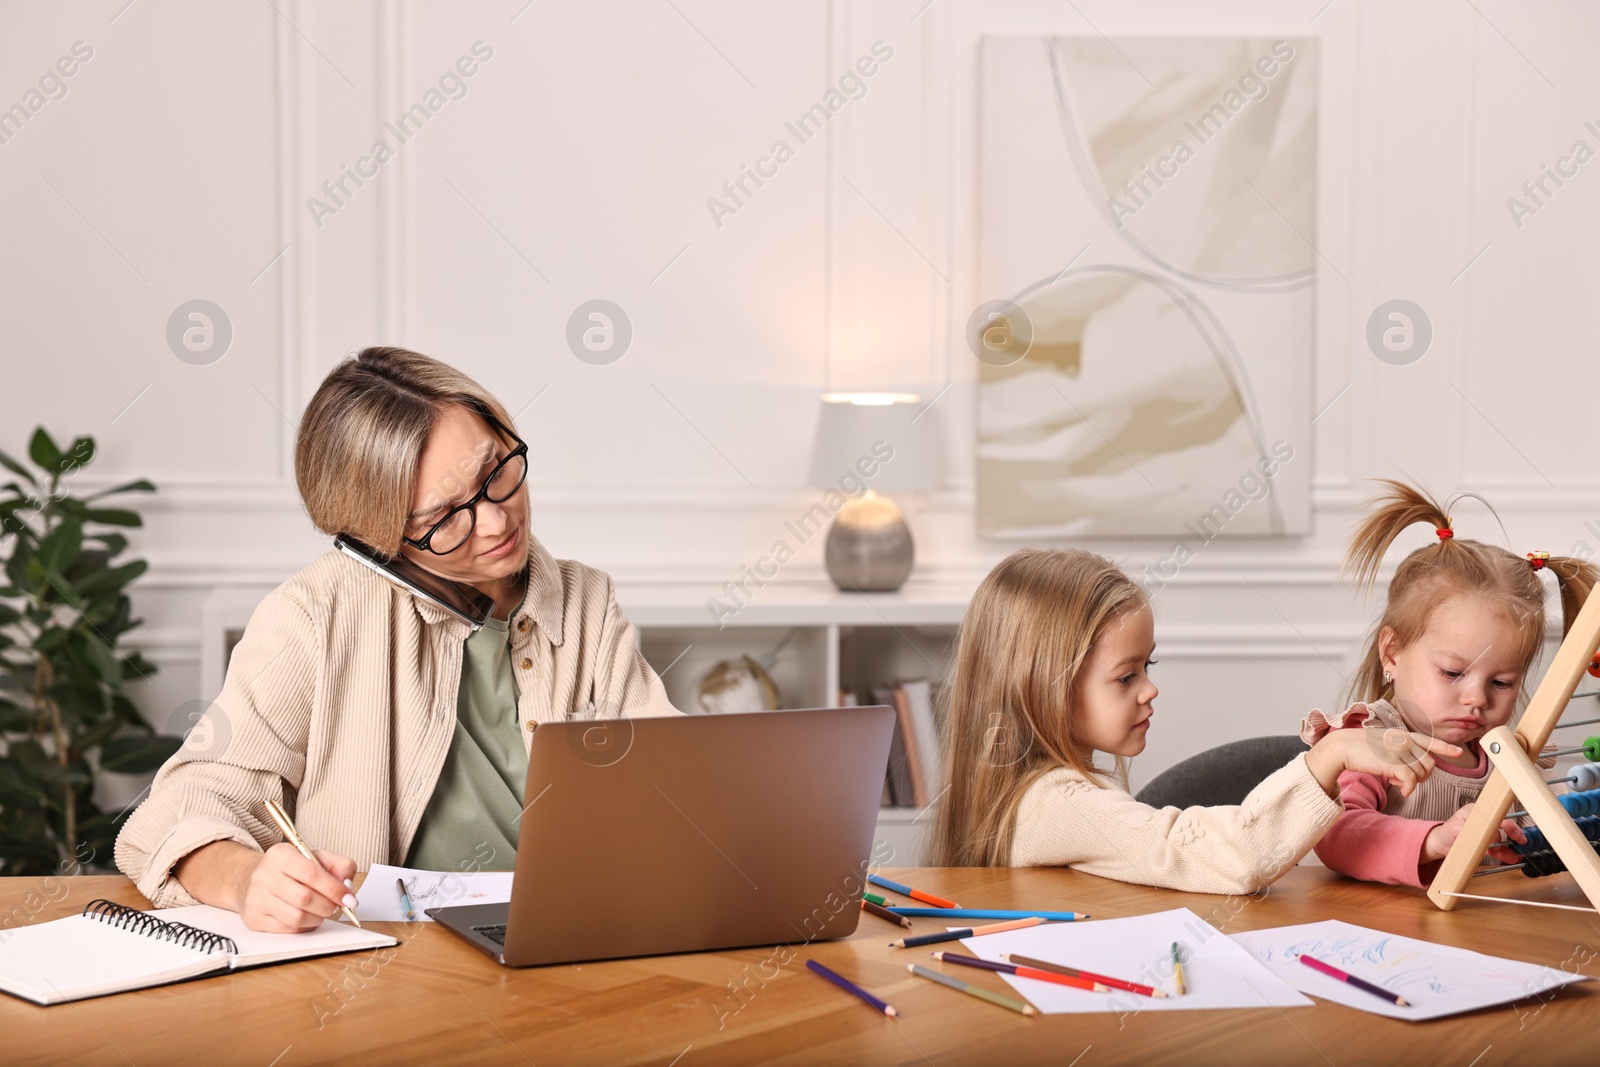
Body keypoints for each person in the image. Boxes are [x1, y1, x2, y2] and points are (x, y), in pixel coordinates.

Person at [116, 348, 679, 931]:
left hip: (573, 936)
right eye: (441, 519)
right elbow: (181, 807)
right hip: (392, 968)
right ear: (377, 538)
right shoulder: (312, 615)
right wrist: (246, 879)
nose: (495, 522)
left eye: (496, 474)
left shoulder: (584, 599)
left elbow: (678, 784)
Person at [928, 546, 1460, 893]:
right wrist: (1330, 754)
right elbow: (1230, 857)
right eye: (1125, 677)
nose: (1150, 688)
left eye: (1147, 666)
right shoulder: (1056, 804)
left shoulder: (1035, 794)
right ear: (1041, 688)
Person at [1308, 480, 1596, 886]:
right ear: (1392, 652)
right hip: (1378, 928)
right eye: (1452, 673)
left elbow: (1537, 834)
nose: (1476, 698)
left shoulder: (1505, 757)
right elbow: (1336, 834)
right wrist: (1435, 840)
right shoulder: (1368, 742)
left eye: (1501, 682)